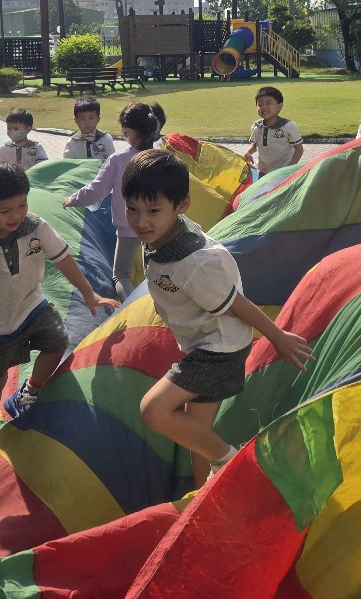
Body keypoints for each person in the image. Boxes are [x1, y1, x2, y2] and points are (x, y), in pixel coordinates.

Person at [124, 149, 313, 487]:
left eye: (153, 210)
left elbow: (238, 304)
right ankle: (203, 491)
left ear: (182, 205)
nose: (140, 222)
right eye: (132, 209)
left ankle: (232, 460)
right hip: (206, 342)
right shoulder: (164, 236)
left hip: (218, 350)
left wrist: (277, 337)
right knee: (198, 436)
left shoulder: (193, 261)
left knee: (153, 411)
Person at [0, 162, 118, 443]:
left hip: (32, 307)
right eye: (5, 211)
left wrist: (89, 293)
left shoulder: (35, 227)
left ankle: (30, 390)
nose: (16, 215)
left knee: (57, 342)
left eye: (22, 205)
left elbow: (63, 259)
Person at [63, 102, 162, 298]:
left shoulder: (119, 159)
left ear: (128, 132)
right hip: (159, 226)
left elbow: (96, 191)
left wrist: (72, 199)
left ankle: (130, 308)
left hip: (129, 228)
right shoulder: (161, 158)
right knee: (159, 272)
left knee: (121, 275)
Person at [243, 86, 303, 176]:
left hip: (283, 173)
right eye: (260, 105)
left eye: (268, 103)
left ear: (280, 106)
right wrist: (247, 153)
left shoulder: (288, 126)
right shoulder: (257, 126)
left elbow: (299, 149)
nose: (264, 107)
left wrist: (289, 169)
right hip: (263, 172)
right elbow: (254, 145)